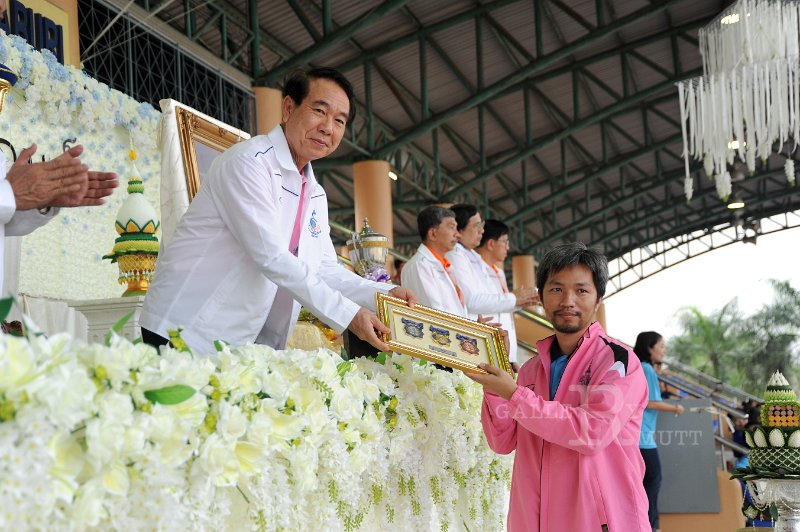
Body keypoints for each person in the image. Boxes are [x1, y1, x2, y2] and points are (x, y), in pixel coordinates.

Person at [139, 67, 416, 354]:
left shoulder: (315, 191)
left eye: (339, 121)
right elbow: (271, 256)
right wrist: (349, 316)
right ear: (288, 108)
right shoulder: (249, 163)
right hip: (186, 326)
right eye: (319, 111)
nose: (328, 128)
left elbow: (324, 268)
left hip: (238, 341)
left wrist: (383, 294)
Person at [467, 242, 650, 531]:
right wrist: (495, 377)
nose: (568, 301)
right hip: (533, 521)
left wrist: (514, 394)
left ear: (598, 299)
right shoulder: (531, 369)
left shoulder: (618, 361)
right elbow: (502, 442)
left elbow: (591, 432)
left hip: (599, 522)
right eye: (556, 289)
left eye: (581, 290)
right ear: (541, 297)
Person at [633, 331, 685, 532]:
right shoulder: (646, 369)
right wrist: (676, 408)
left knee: (644, 486)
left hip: (637, 438)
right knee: (653, 484)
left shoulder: (642, 368)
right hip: (643, 440)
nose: (664, 350)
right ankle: (651, 527)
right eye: (661, 346)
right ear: (649, 348)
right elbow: (650, 402)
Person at [474, 219, 533, 370]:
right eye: (505, 242)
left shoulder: (498, 271)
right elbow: (480, 303)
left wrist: (521, 302)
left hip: (505, 350)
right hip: (485, 347)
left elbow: (501, 306)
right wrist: (514, 299)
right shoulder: (473, 269)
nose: (508, 247)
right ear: (491, 244)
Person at [401, 205, 467, 317]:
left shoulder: (446, 266)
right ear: (433, 234)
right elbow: (434, 315)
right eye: (451, 227)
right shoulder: (419, 265)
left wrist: (474, 326)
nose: (457, 234)